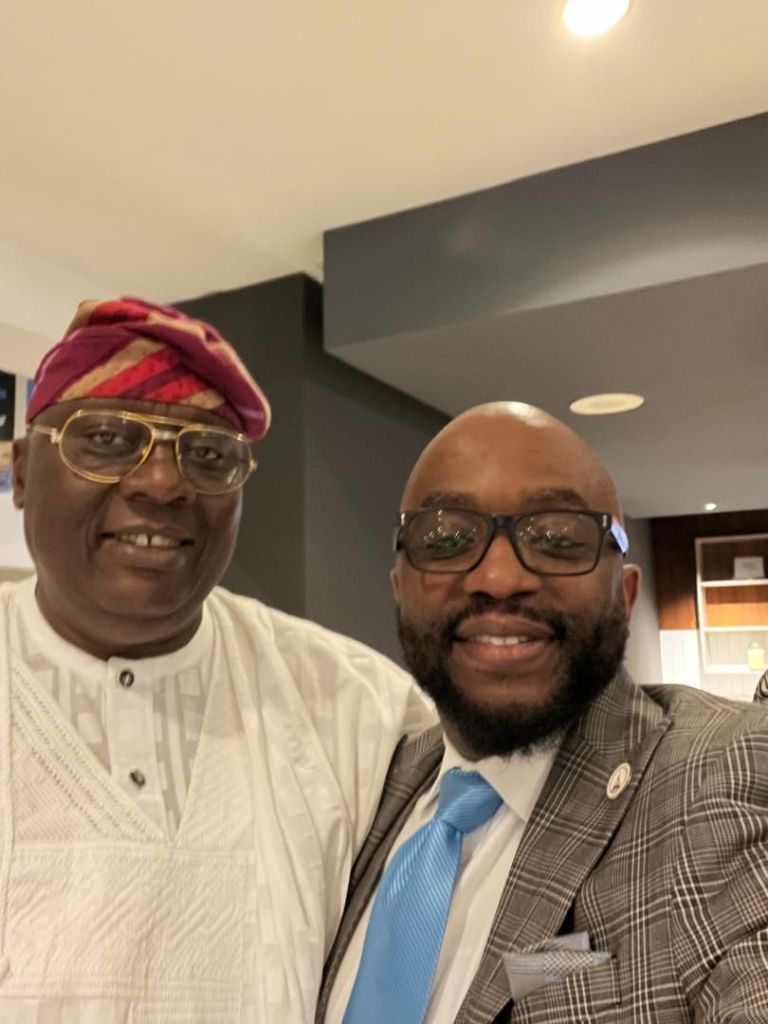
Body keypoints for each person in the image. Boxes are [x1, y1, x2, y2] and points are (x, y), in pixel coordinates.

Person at [2, 296, 434, 1023]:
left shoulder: (361, 709)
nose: (162, 483)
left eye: (207, 455)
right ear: (20, 472)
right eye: (105, 439)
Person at [319, 402, 768, 1024]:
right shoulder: (367, 785)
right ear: (400, 591)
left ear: (626, 594)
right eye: (446, 538)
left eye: (558, 538)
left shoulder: (725, 776)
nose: (499, 577)